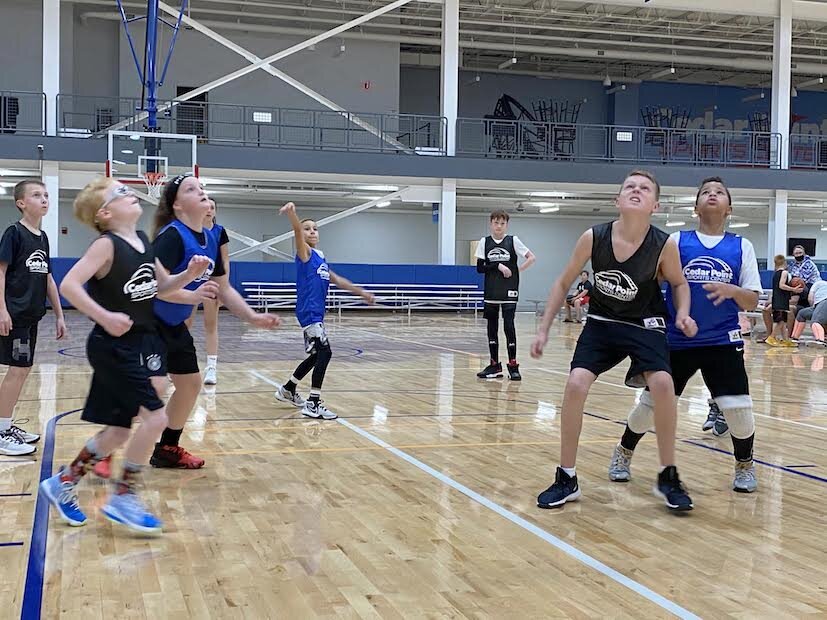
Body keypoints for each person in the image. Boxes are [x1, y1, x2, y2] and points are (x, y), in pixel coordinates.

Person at [39, 178, 217, 533]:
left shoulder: (144, 243)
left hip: (137, 344)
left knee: (119, 433)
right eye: (120, 193)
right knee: (155, 419)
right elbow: (69, 285)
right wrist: (104, 316)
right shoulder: (106, 246)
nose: (129, 193)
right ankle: (123, 495)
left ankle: (62, 483)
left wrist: (191, 278)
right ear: (105, 213)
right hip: (112, 347)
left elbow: (162, 288)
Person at [531, 170, 697, 512]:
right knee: (576, 383)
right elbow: (563, 283)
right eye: (630, 187)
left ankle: (668, 475)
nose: (636, 191)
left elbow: (679, 283)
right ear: (617, 200)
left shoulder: (664, 244)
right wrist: (544, 328)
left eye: (644, 188)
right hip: (603, 323)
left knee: (664, 384)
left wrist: (682, 313)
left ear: (655, 205)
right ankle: (566, 477)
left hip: (644, 324)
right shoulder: (594, 237)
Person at [607, 176, 762, 493]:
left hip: (722, 341)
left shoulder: (741, 246)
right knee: (649, 406)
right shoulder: (677, 241)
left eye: (720, 192)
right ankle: (623, 452)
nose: (713, 195)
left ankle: (744, 465)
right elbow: (652, 281)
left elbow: (753, 299)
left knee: (738, 410)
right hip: (676, 340)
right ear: (696, 208)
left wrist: (733, 290)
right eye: (706, 192)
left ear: (729, 208)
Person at [150, 174, 280, 468]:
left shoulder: (209, 238)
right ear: (178, 206)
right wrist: (193, 294)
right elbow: (153, 289)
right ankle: (103, 450)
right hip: (147, 323)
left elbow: (223, 287)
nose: (201, 192)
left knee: (190, 384)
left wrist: (252, 316)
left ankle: (167, 449)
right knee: (152, 389)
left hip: (173, 325)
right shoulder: (171, 236)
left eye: (202, 188)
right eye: (191, 189)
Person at [273, 202, 375, 419]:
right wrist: (292, 215)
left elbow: (339, 281)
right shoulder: (305, 254)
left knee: (317, 355)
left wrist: (362, 293)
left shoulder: (321, 258)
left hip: (315, 312)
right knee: (326, 353)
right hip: (309, 311)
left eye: (315, 228)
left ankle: (288, 389)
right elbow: (296, 232)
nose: (312, 231)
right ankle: (313, 402)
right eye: (307, 228)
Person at [0, 180, 66, 456]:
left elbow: (48, 277)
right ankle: (2, 430)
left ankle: (6, 424)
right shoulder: (14, 233)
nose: (44, 199)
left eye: (46, 195)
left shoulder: (43, 237)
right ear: (21, 203)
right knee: (17, 370)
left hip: (32, 315)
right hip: (15, 315)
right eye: (37, 195)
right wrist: (1, 309)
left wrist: (60, 315)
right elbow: (1, 272)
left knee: (22, 369)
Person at [475, 210, 536, 380]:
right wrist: (498, 266)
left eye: (502, 223)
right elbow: (480, 268)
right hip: (491, 291)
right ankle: (494, 365)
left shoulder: (513, 240)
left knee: (509, 326)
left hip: (509, 291)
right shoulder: (484, 242)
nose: (499, 226)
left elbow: (531, 257)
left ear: (506, 225)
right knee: (492, 328)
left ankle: (513, 365)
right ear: (491, 224)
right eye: (496, 223)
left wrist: (517, 271)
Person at [185, 197, 229, 386]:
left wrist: (224, 287)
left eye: (213, 207)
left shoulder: (220, 232)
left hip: (212, 282)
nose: (209, 209)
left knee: (211, 325)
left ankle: (211, 367)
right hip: (191, 282)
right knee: (184, 324)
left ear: (215, 212)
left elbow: (225, 261)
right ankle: (178, 365)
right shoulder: (189, 230)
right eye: (207, 206)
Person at [759, 245, 820, 342]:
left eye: (800, 253)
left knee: (788, 310)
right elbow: (781, 287)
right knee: (767, 310)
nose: (798, 255)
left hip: (805, 296)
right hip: (790, 293)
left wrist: (796, 288)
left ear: (804, 253)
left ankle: (789, 337)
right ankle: (770, 335)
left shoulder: (810, 265)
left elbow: (806, 285)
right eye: (796, 253)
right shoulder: (790, 268)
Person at [768, 254, 803, 347]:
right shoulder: (784, 272)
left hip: (776, 299)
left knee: (783, 321)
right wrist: (794, 289)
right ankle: (771, 337)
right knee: (781, 321)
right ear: (784, 262)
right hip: (781, 300)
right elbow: (781, 285)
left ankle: (786, 340)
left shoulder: (775, 273)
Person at [791, 279, 827, 345]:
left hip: (824, 301)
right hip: (820, 303)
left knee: (815, 321)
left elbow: (810, 298)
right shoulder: (823, 285)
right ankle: (794, 338)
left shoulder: (816, 284)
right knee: (802, 313)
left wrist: (814, 308)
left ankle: (820, 341)